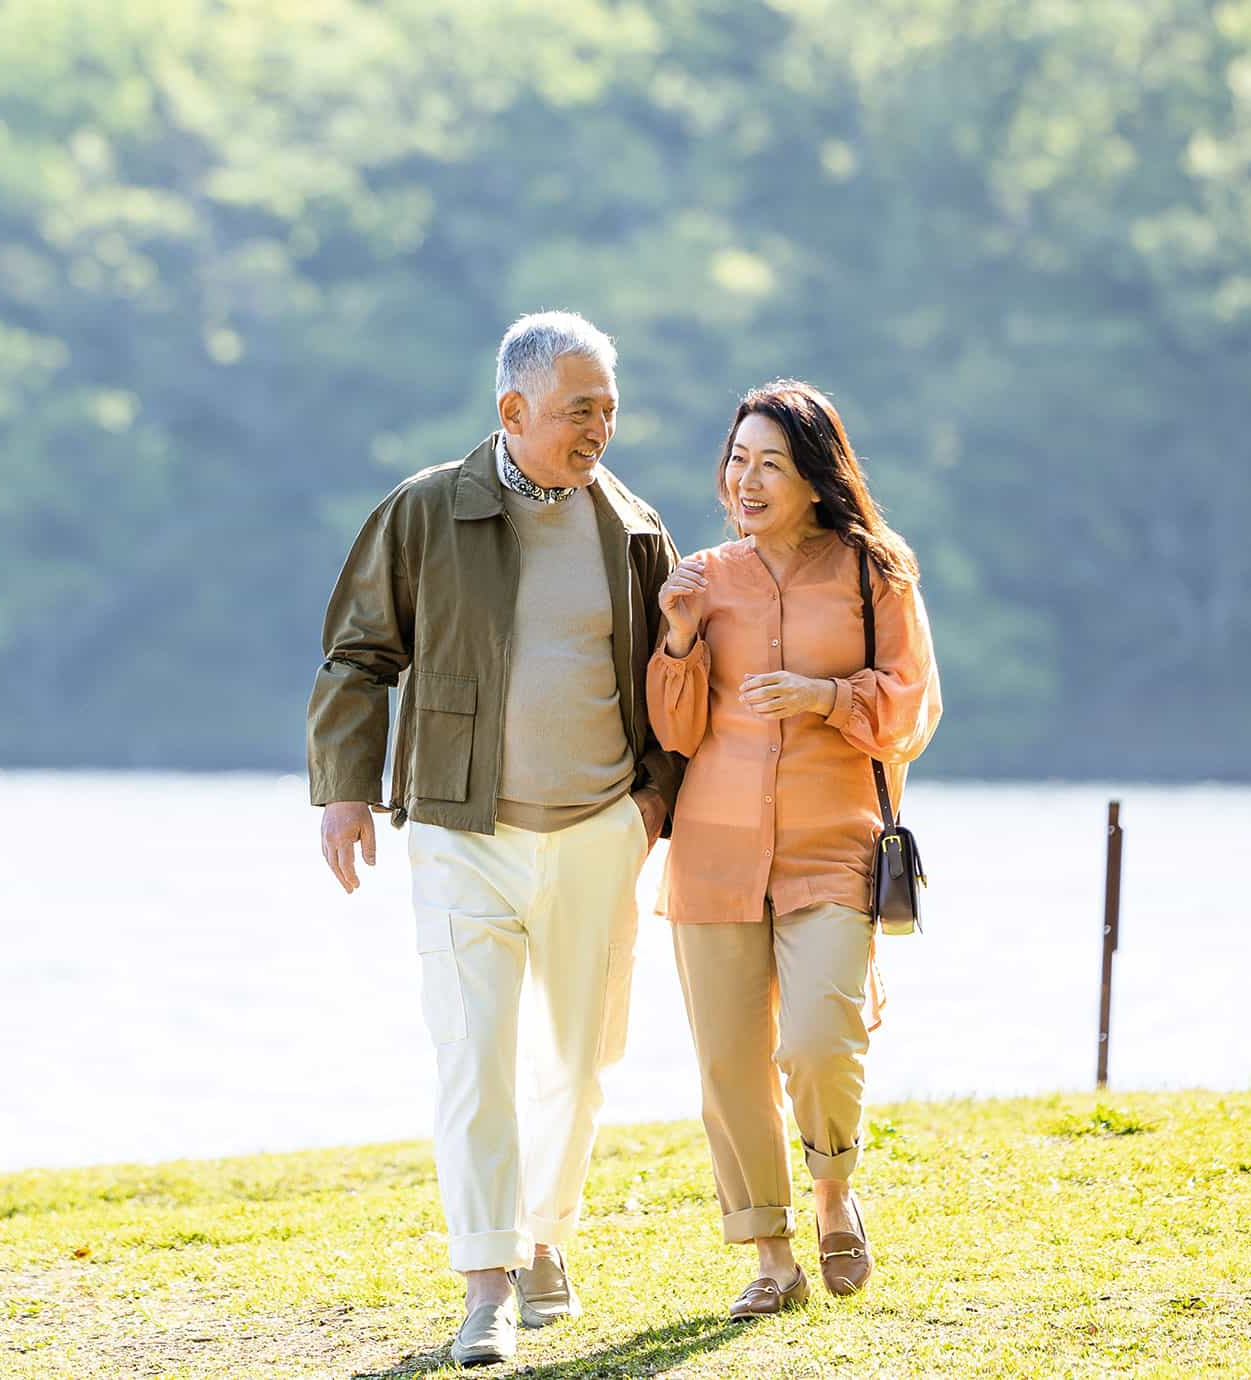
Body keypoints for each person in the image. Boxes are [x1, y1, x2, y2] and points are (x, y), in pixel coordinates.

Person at [307, 312, 682, 1367]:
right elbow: (356, 656)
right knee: (474, 1056)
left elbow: (666, 681)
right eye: (577, 411)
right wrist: (344, 793)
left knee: (579, 1057)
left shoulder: (634, 525)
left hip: (597, 830)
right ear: (512, 411)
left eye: (607, 409)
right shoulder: (426, 512)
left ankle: (544, 1236)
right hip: (458, 830)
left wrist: (651, 803)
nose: (597, 430)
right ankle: (486, 1285)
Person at [647, 378, 941, 1319]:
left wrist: (825, 699)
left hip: (832, 846)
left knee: (821, 1037)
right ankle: (770, 1255)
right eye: (738, 460)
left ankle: (833, 1189)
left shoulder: (875, 572)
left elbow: (913, 707)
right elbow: (674, 729)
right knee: (729, 1064)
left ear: (815, 474)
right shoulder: (703, 576)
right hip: (714, 852)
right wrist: (682, 639)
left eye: (771, 462)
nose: (749, 480)